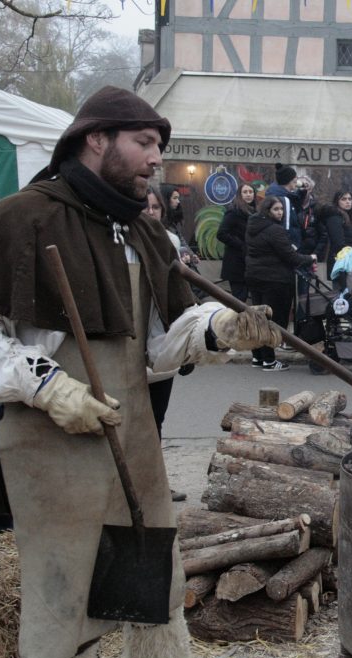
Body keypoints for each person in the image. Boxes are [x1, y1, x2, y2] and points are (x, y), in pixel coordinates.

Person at [0, 86, 282, 658]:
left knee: (154, 589)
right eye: (143, 143)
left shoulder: (141, 231)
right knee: (62, 600)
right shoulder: (22, 218)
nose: (155, 159)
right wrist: (46, 385)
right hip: (53, 450)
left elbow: (158, 347)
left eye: (159, 147)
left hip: (135, 443)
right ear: (96, 139)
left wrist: (219, 328)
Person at [144, 185, 192, 502]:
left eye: (155, 208)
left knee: (155, 419)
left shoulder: (170, 244)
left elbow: (180, 300)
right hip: (127, 348)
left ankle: (155, 485)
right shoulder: (117, 245)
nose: (150, 213)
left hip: (161, 346)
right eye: (144, 207)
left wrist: (188, 346)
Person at [245, 195, 318, 372]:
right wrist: (310, 258)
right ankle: (269, 361)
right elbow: (290, 257)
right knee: (273, 320)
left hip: (255, 277)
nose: (280, 213)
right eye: (276, 209)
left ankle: (258, 357)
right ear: (267, 211)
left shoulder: (252, 226)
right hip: (275, 279)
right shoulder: (274, 230)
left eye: (281, 209)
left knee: (259, 318)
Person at [218, 182, 256, 301]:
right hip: (236, 263)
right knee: (239, 300)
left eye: (251, 192)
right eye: (245, 192)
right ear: (239, 195)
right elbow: (221, 233)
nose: (248, 195)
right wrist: (241, 245)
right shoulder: (234, 211)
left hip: (249, 263)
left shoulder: (255, 212)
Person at [320, 190, 352, 280]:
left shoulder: (346, 216)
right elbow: (338, 242)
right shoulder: (335, 217)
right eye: (343, 199)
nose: (348, 201)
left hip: (346, 259)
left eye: (350, 199)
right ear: (337, 202)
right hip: (339, 261)